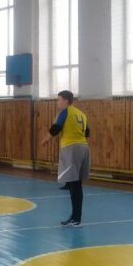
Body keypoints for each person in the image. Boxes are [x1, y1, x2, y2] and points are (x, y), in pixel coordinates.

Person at [40, 90, 90, 227]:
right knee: (77, 184)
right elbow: (87, 133)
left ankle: (76, 219)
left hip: (71, 148)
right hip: (84, 148)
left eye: (59, 100)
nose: (57, 103)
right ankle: (75, 217)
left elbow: (55, 128)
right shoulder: (81, 114)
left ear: (66, 101)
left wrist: (45, 139)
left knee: (74, 185)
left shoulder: (65, 112)